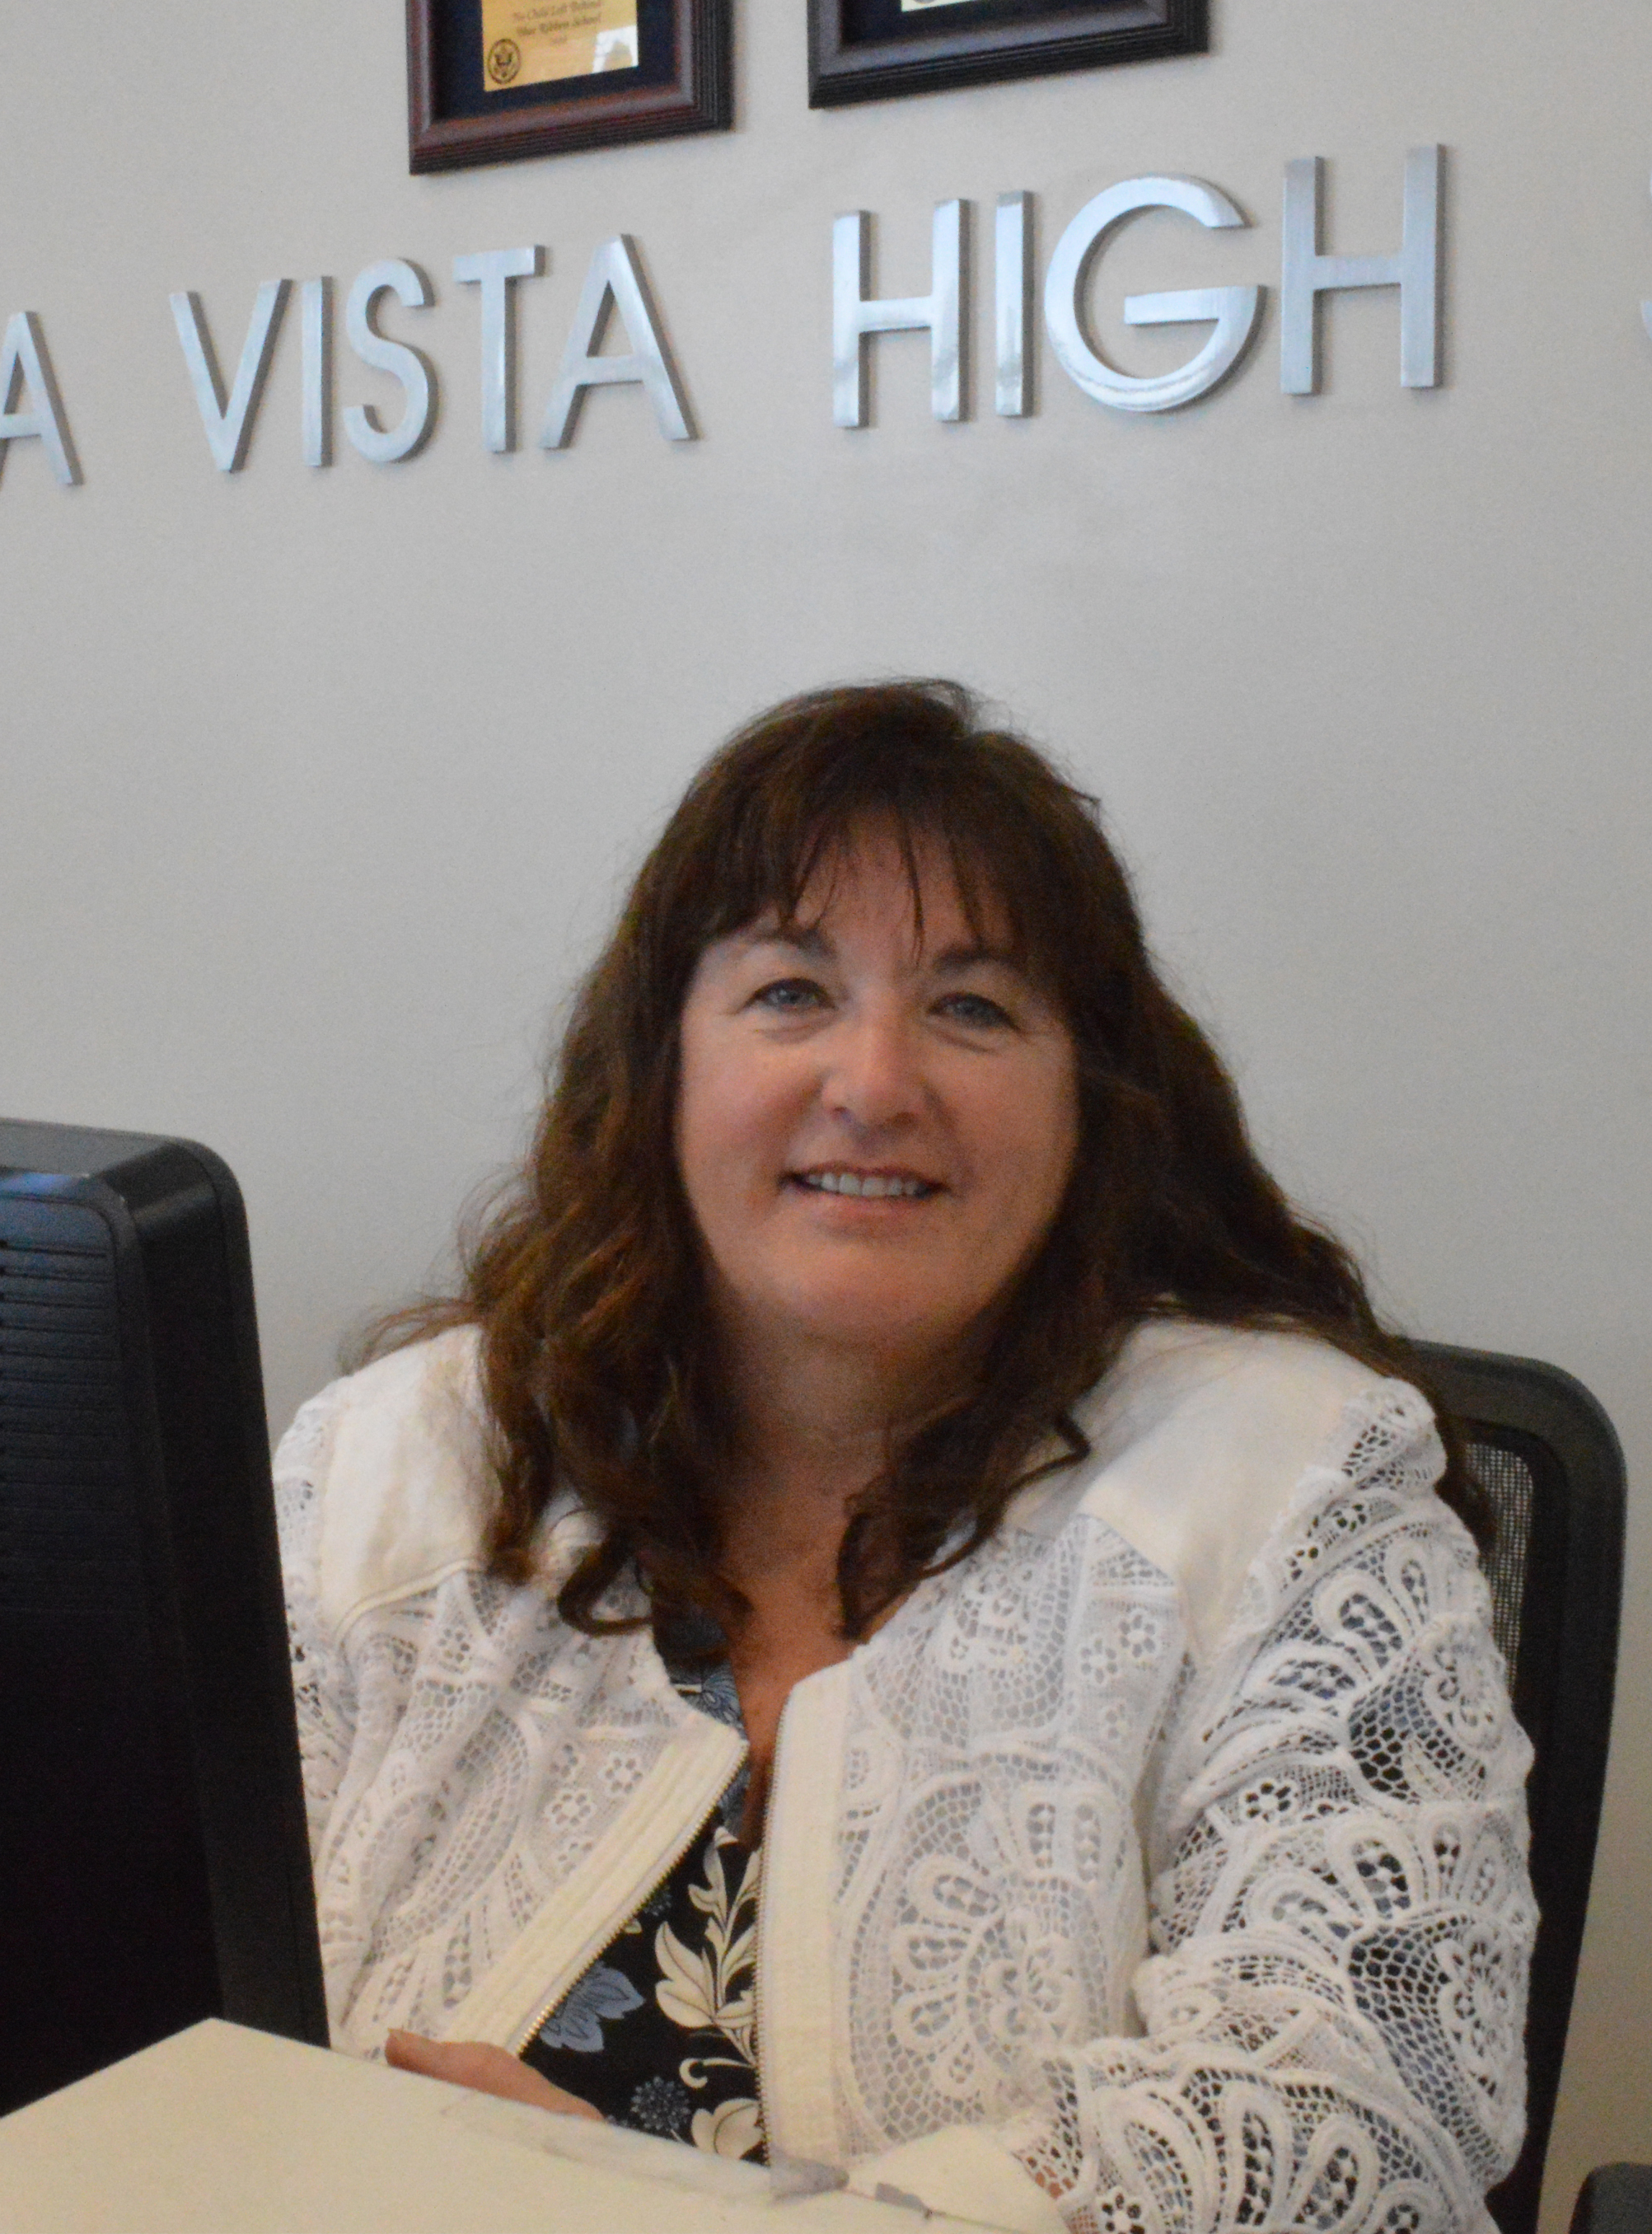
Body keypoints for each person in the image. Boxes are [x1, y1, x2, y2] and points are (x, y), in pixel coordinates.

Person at [274, 681, 1531, 2234]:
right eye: (790, 991)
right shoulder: (397, 1465)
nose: (871, 1082)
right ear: (662, 1069)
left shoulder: (1292, 1485)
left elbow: (1361, 2110)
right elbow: (153, 1988)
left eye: (972, 1008)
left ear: (1091, 1105)